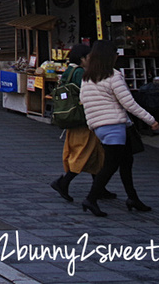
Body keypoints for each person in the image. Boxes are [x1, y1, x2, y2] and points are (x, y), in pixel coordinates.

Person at [79, 40, 159, 216]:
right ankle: (91, 198)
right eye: (116, 53)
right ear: (110, 56)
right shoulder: (113, 76)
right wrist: (150, 120)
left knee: (125, 161)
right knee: (112, 164)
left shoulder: (87, 77)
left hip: (100, 126)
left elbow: (84, 101)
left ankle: (133, 198)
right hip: (114, 125)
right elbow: (128, 103)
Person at [51, 44, 107, 203]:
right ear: (82, 59)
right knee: (84, 152)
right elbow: (89, 95)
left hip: (72, 118)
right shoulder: (81, 73)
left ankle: (99, 187)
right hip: (83, 119)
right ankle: (64, 182)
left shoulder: (68, 71)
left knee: (95, 152)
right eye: (89, 57)